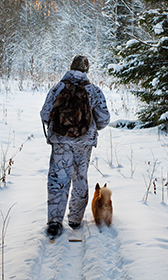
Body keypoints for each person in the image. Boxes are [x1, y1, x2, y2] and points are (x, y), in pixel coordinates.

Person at [40, 55, 110, 238]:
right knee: (80, 177)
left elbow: (45, 113)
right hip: (83, 143)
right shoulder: (93, 90)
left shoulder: (58, 88)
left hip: (60, 142)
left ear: (70, 67)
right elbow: (104, 118)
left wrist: (58, 128)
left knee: (58, 179)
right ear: (86, 71)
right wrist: (90, 128)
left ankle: (55, 222)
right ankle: (75, 219)